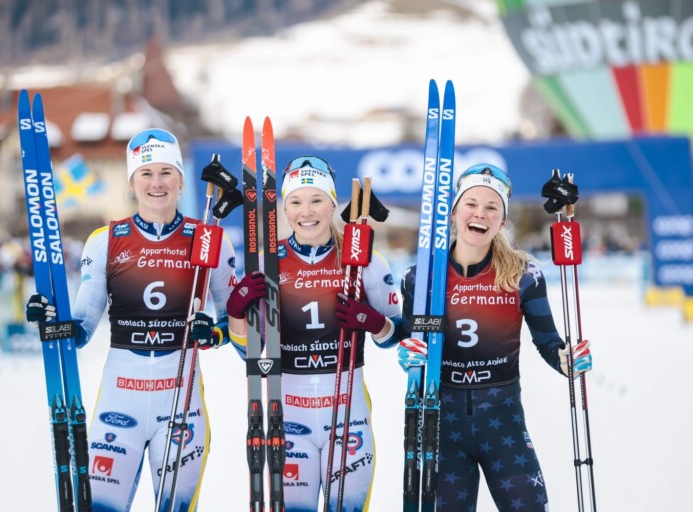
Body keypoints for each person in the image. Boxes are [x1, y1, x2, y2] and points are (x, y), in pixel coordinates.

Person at [26, 128, 236, 512]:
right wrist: (51, 321)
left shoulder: (210, 240)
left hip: (181, 406)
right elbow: (81, 329)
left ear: (181, 180)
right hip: (118, 404)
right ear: (132, 182)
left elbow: (236, 327)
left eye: (166, 172)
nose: (157, 183)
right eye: (146, 173)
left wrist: (214, 333)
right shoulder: (105, 241)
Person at [397, 163, 593, 511]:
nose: (480, 214)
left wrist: (567, 360)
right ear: (454, 212)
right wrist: (408, 354)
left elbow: (549, 343)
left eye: (492, 207)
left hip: (503, 423)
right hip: (442, 425)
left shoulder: (523, 275)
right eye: (471, 204)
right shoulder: (420, 278)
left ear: (502, 221)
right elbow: (415, 343)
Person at [227, 156, 402, 512]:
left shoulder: (363, 260)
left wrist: (375, 323)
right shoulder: (268, 262)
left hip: (348, 415)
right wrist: (235, 313)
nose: (306, 212)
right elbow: (249, 351)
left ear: (333, 204)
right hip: (290, 416)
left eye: (317, 199)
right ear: (284, 209)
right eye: (296, 201)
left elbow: (397, 332)